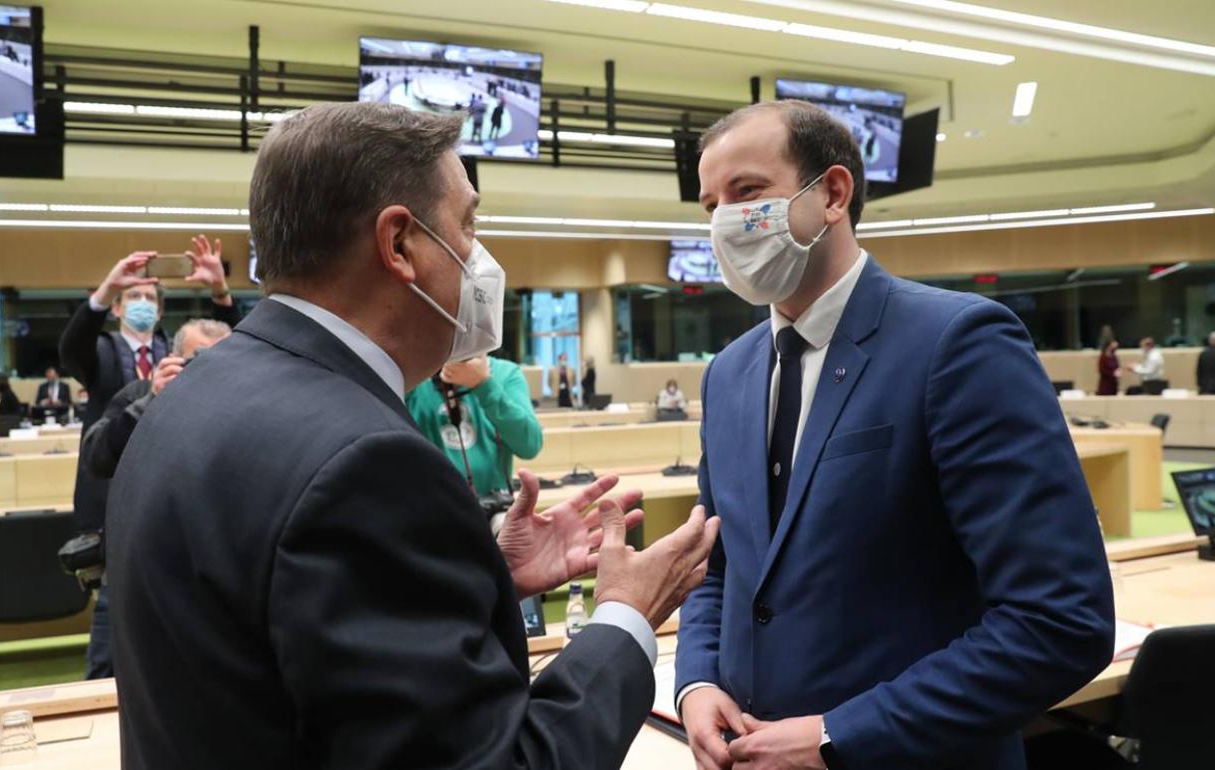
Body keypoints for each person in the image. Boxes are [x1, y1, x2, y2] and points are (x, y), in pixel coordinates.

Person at [106, 102, 719, 770]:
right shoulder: (366, 464)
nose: (479, 254)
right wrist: (625, 616)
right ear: (399, 244)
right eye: (468, 222)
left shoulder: (193, 391)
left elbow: (284, 627)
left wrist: (475, 578)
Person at [675, 100, 1114, 770]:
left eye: (747, 192)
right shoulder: (729, 375)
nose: (725, 222)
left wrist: (838, 737)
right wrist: (698, 683)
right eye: (710, 205)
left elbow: (1059, 621)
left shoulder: (958, 343)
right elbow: (720, 565)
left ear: (833, 194)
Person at [58, 234, 239, 680]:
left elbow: (235, 348)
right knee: (112, 653)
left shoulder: (178, 353)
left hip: (193, 534)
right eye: (131, 296)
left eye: (149, 297)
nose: (141, 303)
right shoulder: (108, 359)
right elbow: (73, 351)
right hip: (119, 516)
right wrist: (107, 288)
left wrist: (220, 292)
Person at [81, 319, 231, 480]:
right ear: (174, 360)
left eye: (222, 363)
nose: (211, 372)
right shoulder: (139, 394)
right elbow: (96, 458)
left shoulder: (244, 405)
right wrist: (152, 402)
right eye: (199, 362)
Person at [406, 353, 542, 498]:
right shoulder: (414, 374)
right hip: (431, 506)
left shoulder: (505, 373)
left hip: (493, 504)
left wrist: (483, 385)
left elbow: (530, 446)